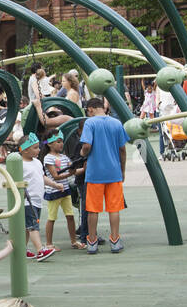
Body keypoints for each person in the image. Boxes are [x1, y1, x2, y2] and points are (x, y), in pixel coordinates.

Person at [79, 97, 129, 254]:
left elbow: (87, 145)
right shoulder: (116, 123)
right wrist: (122, 169)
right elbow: (122, 149)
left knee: (93, 209)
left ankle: (92, 241)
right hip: (113, 171)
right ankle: (115, 240)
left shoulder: (90, 123)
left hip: (95, 173)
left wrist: (82, 153)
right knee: (114, 208)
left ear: (91, 109)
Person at [42, 134, 79, 251]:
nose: (61, 144)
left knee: (70, 216)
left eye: (62, 141)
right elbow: (55, 176)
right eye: (58, 142)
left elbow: (73, 169)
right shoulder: (48, 158)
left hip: (65, 191)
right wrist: (71, 173)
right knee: (51, 218)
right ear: (49, 144)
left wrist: (84, 168)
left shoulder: (64, 157)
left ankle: (74, 241)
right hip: (54, 192)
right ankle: (49, 244)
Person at [17, 133, 48, 260]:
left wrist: (55, 185)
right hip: (27, 201)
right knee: (33, 226)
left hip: (37, 200)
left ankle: (21, 250)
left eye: (38, 147)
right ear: (25, 150)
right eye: (35, 148)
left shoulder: (37, 162)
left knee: (27, 227)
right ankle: (40, 250)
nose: (39, 150)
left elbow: (42, 177)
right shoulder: (19, 163)